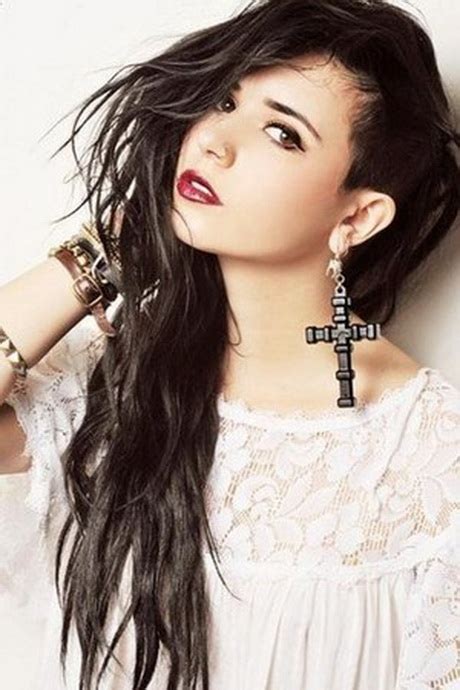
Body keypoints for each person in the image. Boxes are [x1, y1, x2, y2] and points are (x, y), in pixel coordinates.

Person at [0, 0, 459, 688]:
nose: (215, 142)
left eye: (282, 133)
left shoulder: (427, 458)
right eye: (223, 101)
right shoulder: (118, 384)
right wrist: (102, 253)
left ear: (359, 216)